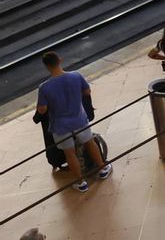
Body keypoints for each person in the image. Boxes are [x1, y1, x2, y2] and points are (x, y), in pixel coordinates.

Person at [36, 52, 111, 191]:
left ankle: (81, 182)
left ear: (46, 66)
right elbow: (87, 91)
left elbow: (42, 110)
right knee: (90, 143)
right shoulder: (76, 76)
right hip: (79, 119)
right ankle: (102, 168)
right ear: (60, 59)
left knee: (69, 153)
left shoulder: (44, 87)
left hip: (59, 125)